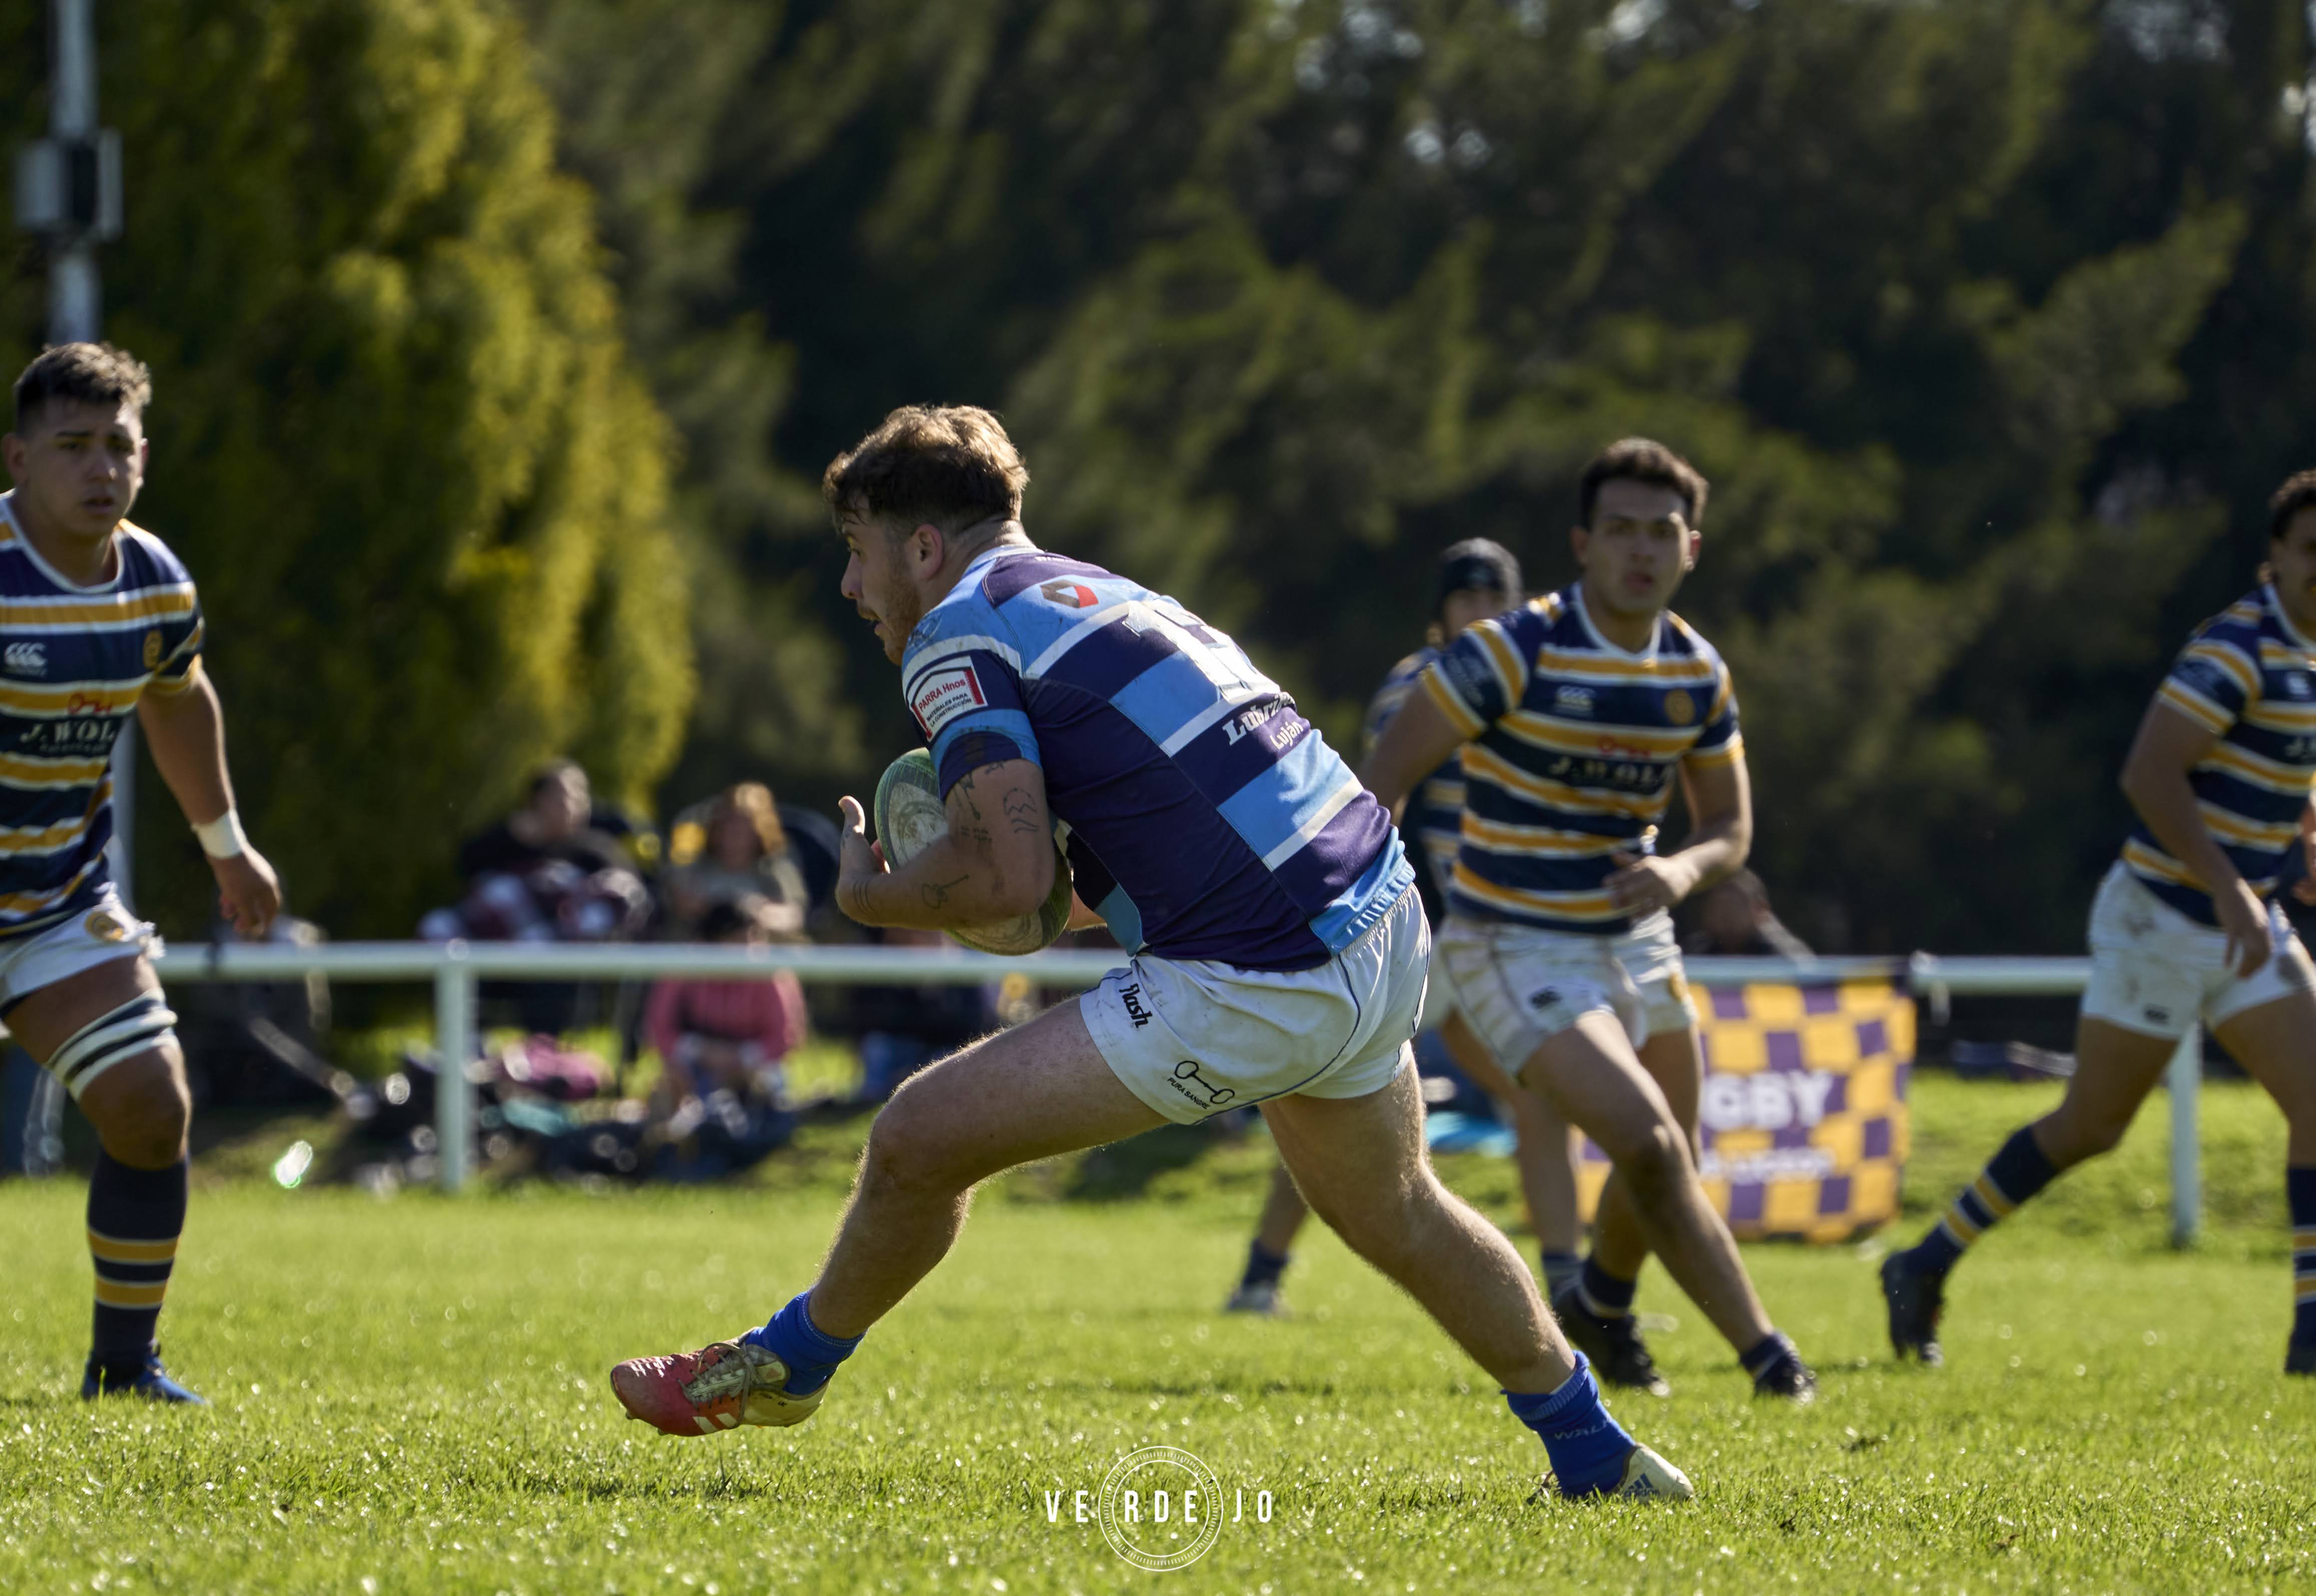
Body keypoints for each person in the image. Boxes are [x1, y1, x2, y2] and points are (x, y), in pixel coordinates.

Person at [610, 405, 1692, 1500]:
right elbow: (1117, 862)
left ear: (922, 547)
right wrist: (1004, 885)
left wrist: (871, 892)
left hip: (1264, 969)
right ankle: (1597, 1451)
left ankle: (783, 1368)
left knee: (913, 1142)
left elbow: (1011, 886)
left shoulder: (954, 631)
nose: (852, 584)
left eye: (858, 549)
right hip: (1382, 913)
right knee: (1400, 1210)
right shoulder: (1108, 593)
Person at [1362, 437, 1815, 1402]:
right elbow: (1386, 776)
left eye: (1661, 531)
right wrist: (1371, 901)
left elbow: (1728, 827)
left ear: (1692, 548)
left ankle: (1601, 1302)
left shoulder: (1697, 672)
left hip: (1637, 941)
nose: (1640, 550)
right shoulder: (1511, 650)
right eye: (1620, 529)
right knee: (1649, 1144)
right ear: (1583, 543)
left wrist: (1679, 870)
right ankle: (1770, 1356)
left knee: (1666, 1157)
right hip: (1511, 938)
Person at [1880, 472, 2316, 1373]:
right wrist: (2232, 888)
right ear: (2274, 556)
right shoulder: (2237, 649)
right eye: (2313, 550)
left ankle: (2311, 1332)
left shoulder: (2308, 656)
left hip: (2246, 922)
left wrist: (2301, 837)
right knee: (2092, 1126)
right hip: (2162, 917)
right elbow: (2149, 774)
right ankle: (1924, 1260)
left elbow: (2275, 763)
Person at [0, 343, 281, 1403]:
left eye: (116, 446)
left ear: (144, 457)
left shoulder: (155, 580)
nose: (99, 467)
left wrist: (227, 845)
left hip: (55, 904)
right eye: (71, 445)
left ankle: (124, 1368)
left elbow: (176, 696)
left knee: (151, 1106)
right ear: (18, 458)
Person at [1225, 539, 1589, 1320]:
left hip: (1489, 935)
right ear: (1439, 612)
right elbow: (1381, 801)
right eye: (1467, 599)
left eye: (1496, 600)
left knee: (1536, 1097)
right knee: (1337, 1100)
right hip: (1417, 929)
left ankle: (1572, 1292)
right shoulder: (1421, 684)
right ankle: (1259, 1276)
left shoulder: (1533, 687)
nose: (1482, 615)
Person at [660, 782, 808, 939]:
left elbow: (795, 917)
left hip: (760, 947)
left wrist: (755, 911)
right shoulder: (693, 868)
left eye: (744, 826)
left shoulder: (776, 872)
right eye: (728, 824)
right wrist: (717, 909)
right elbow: (681, 905)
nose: (734, 833)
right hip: (702, 947)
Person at [1682, 868, 1815, 960]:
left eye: (1734, 905)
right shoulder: (1696, 952)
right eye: (1718, 904)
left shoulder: (1784, 956)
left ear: (1761, 910)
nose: (1726, 915)